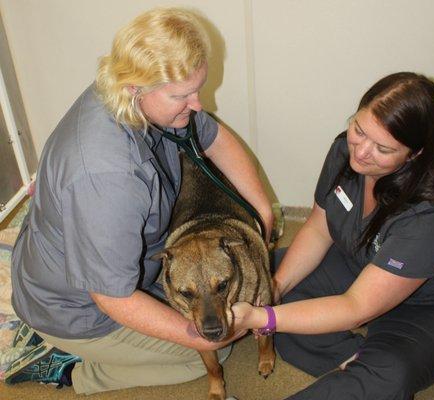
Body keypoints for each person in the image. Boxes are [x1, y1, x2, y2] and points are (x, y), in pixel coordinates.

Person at [5, 7, 273, 395]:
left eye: (198, 88)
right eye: (183, 95)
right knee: (209, 350)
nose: (197, 104)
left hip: (98, 263)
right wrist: (201, 339)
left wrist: (261, 209)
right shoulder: (106, 175)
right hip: (78, 308)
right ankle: (70, 368)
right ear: (135, 88)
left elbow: (213, 136)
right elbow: (112, 297)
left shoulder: (128, 89)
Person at [232, 72, 434, 400]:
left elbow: (356, 306)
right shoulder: (344, 151)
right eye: (359, 130)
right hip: (361, 262)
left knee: (388, 375)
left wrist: (263, 317)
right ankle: (355, 357)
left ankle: (369, 367)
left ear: (415, 154)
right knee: (256, 280)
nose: (361, 152)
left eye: (383, 148)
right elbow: (320, 230)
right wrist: (274, 289)